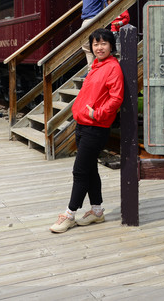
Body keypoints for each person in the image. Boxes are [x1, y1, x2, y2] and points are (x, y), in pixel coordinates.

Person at [50, 28, 124, 233]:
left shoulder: (113, 67)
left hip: (96, 126)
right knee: (90, 169)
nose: (99, 47)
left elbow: (116, 98)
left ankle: (69, 214)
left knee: (80, 171)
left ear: (111, 46)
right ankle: (97, 211)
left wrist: (97, 114)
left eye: (103, 43)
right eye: (95, 44)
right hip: (83, 124)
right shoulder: (96, 66)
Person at [77, 0, 109, 68]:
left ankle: (94, 67)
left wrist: (109, 15)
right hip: (87, 18)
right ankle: (92, 67)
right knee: (87, 44)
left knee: (88, 44)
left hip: (93, 19)